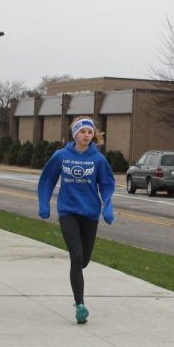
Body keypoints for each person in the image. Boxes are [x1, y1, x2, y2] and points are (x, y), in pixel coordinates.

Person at [37, 117, 116, 324]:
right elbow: (47, 179)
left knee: (84, 260)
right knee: (77, 257)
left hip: (90, 214)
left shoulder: (98, 160)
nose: (86, 135)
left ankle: (77, 284)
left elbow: (107, 185)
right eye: (82, 132)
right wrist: (44, 204)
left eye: (89, 132)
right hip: (68, 212)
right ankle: (80, 305)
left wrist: (107, 206)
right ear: (75, 135)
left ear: (93, 136)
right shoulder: (61, 156)